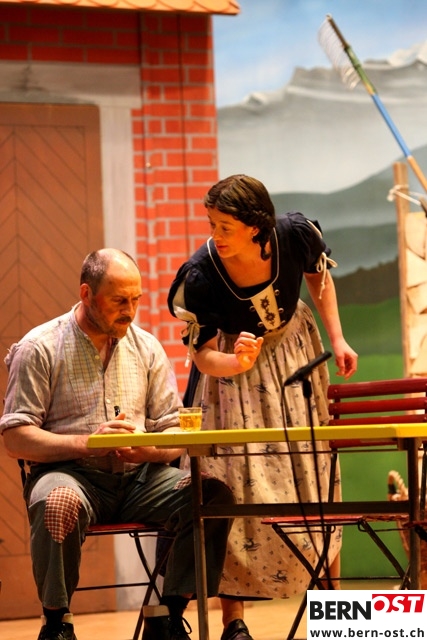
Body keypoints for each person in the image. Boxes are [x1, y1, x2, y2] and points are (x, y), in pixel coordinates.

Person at [0, 248, 235, 640]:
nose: (130, 311)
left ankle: (168, 613)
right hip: (70, 476)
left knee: (211, 495)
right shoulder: (39, 346)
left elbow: (173, 428)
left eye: (136, 300)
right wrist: (87, 444)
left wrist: (150, 450)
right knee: (57, 502)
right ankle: (57, 622)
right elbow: (15, 437)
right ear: (86, 294)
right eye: (119, 301)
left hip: (141, 479)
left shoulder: (147, 347)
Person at [168, 175, 358, 640]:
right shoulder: (202, 274)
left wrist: (337, 337)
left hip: (295, 356)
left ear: (256, 226)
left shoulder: (294, 235)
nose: (215, 235)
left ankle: (333, 612)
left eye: (225, 226)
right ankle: (234, 622)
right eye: (211, 224)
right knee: (234, 487)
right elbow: (202, 356)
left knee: (315, 476)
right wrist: (236, 362)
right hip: (234, 380)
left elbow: (318, 276)